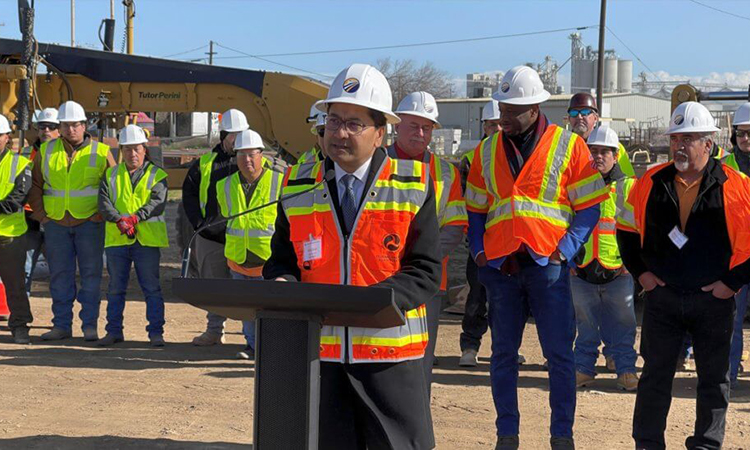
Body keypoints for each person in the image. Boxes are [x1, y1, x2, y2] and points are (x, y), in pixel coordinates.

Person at [264, 63, 441, 450]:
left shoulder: (413, 185)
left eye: (354, 124)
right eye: (333, 120)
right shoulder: (296, 184)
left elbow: (426, 271)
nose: (339, 133)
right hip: (321, 362)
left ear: (380, 134)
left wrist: (374, 302)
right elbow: (280, 262)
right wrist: (281, 284)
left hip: (391, 364)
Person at [466, 66, 609, 450]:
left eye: (513, 110)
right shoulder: (486, 149)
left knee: (560, 357)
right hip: (501, 268)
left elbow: (590, 207)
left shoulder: (569, 146)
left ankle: (562, 436)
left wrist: (564, 251)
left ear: (535, 107)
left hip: (548, 267)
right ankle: (506, 435)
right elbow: (476, 209)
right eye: (503, 108)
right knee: (502, 356)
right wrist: (479, 251)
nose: (505, 116)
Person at [617, 101, 750, 449]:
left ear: (709, 144)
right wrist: (643, 275)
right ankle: (647, 443)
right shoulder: (651, 181)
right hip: (664, 299)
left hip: (713, 302)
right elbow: (626, 231)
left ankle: (706, 444)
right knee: (655, 377)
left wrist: (730, 284)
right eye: (676, 138)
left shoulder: (737, 186)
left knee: (713, 380)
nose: (679, 145)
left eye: (689, 138)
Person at [387, 91, 467, 389]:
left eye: (427, 127)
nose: (420, 133)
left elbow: (455, 227)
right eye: (413, 125)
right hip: (377, 277)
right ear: (397, 125)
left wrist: (419, 259)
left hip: (428, 283)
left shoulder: (446, 172)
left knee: (420, 362)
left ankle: (417, 433)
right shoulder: (376, 164)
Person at [28, 101, 116, 341]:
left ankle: (89, 326)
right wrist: (42, 215)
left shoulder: (100, 151)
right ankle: (62, 326)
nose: (70, 129)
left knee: (91, 276)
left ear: (84, 125)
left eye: (74, 125)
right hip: (56, 223)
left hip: (89, 223)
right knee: (60, 276)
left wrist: (101, 214)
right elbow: (35, 185)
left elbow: (115, 186)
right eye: (65, 125)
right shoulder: (46, 150)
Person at [570, 124, 638, 391]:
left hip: (618, 270)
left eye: (604, 151)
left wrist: (629, 265)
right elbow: (566, 223)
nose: (598, 156)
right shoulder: (577, 186)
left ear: (615, 154)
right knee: (585, 326)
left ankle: (626, 371)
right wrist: (570, 262)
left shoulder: (630, 187)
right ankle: (583, 370)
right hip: (583, 268)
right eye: (593, 151)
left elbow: (638, 230)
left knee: (623, 325)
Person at [215, 128, 283, 360]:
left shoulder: (279, 182)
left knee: (270, 309)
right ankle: (252, 346)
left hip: (267, 259)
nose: (247, 160)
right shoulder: (224, 185)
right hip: (238, 258)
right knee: (246, 309)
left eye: (251, 154)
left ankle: (270, 348)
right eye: (241, 155)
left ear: (261, 155)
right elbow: (227, 215)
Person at [97, 124, 168, 347]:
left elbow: (158, 201)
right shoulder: (110, 174)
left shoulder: (157, 175)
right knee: (115, 289)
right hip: (118, 240)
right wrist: (120, 220)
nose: (132, 154)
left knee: (151, 288)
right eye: (127, 149)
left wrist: (135, 218)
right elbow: (103, 203)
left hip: (146, 240)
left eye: (136, 149)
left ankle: (156, 332)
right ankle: (113, 331)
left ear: (144, 150)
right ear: (122, 150)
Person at [182, 109, 247, 346]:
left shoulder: (249, 161)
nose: (238, 140)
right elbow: (188, 195)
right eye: (234, 135)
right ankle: (214, 331)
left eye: (242, 134)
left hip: (242, 237)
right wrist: (199, 224)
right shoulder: (204, 164)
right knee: (214, 287)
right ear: (223, 136)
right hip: (211, 236)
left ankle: (250, 336)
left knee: (245, 290)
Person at [723, 102, 750, 388]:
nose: (746, 139)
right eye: (741, 134)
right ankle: (727, 375)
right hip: (737, 257)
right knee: (731, 321)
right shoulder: (724, 168)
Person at [0, 114, 33, 344]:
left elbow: (16, 201)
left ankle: (20, 326)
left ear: (6, 137)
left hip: (10, 236)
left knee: (15, 285)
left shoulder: (20, 164)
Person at [22, 108, 59, 297]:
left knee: (60, 272)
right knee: (25, 269)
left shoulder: (65, 154)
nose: (46, 130)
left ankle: (61, 319)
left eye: (51, 127)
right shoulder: (26, 153)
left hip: (57, 219)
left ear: (59, 129)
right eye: (42, 126)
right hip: (31, 219)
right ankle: (20, 314)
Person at [567, 92, 635, 177]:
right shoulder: (563, 148)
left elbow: (629, 181)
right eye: (574, 113)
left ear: (595, 118)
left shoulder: (612, 146)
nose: (579, 116)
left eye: (585, 112)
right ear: (569, 119)